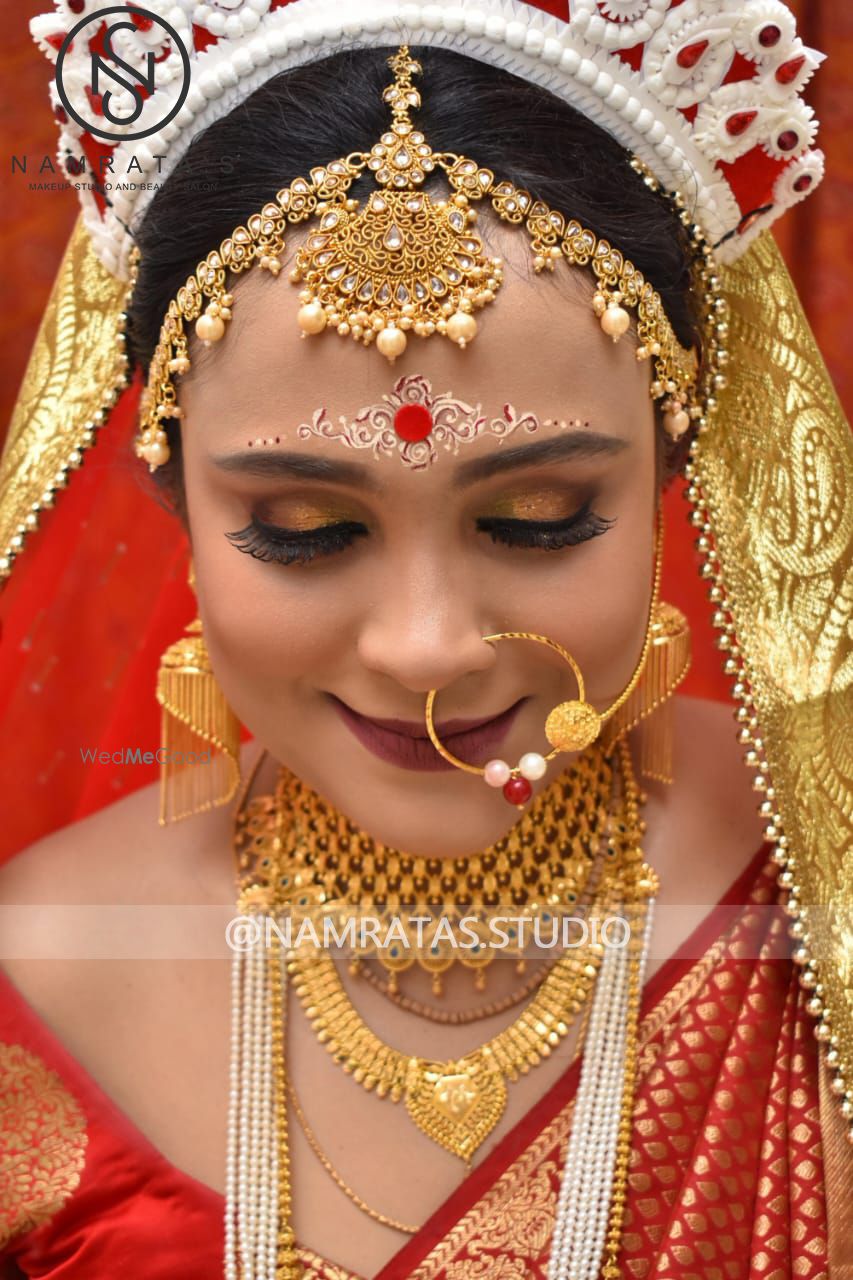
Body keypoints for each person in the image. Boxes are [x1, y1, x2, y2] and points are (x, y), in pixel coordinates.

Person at [1, 4, 850, 1278]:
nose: (426, 644)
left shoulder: (819, 909)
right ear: (172, 495)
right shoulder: (37, 980)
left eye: (538, 518)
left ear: (682, 468)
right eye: (299, 528)